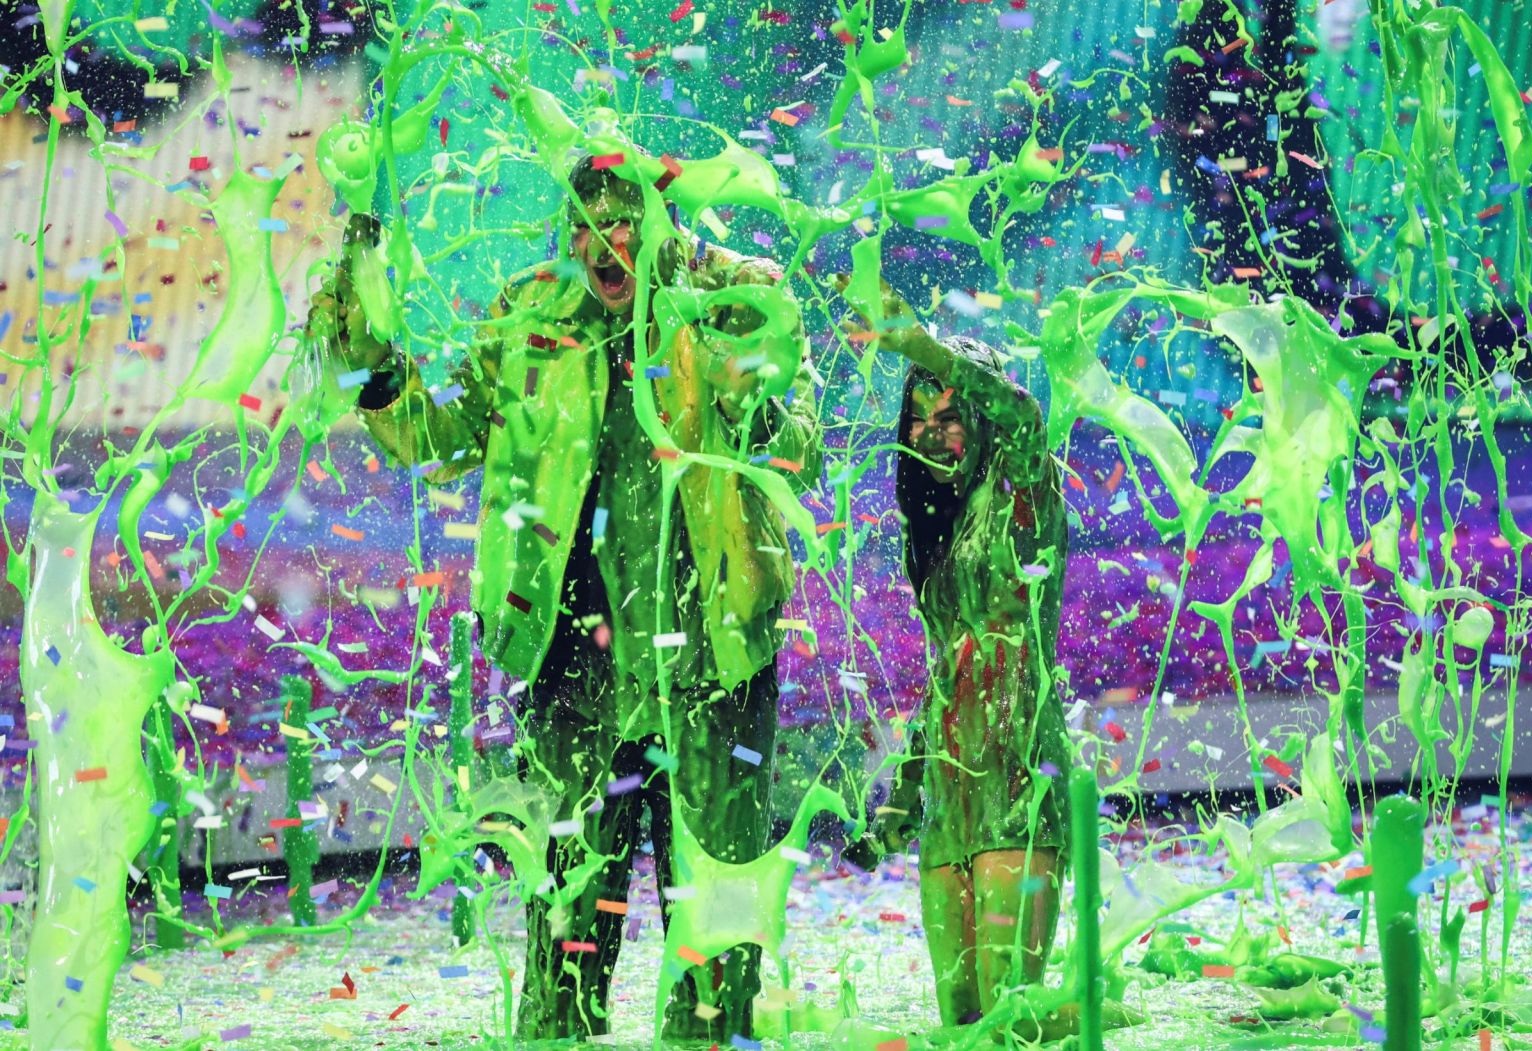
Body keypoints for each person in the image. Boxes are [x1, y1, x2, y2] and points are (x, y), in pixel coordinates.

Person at [307, 154, 823, 1042]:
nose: (598, 243)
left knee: (718, 949)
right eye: (581, 225)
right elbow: (446, 437)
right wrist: (376, 370)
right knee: (566, 946)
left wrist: (750, 392)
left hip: (716, 668)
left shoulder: (739, 297)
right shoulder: (530, 314)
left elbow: (796, 453)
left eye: (618, 220)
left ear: (659, 220)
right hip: (577, 679)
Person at [837, 274, 1071, 1026]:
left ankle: (1100, 1022)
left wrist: (918, 346)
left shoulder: (1024, 485)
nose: (934, 428)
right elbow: (949, 673)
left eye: (950, 411)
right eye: (919, 415)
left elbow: (1024, 409)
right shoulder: (931, 540)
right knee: (961, 1020)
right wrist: (896, 809)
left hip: (1018, 779)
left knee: (1013, 1018)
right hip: (949, 797)